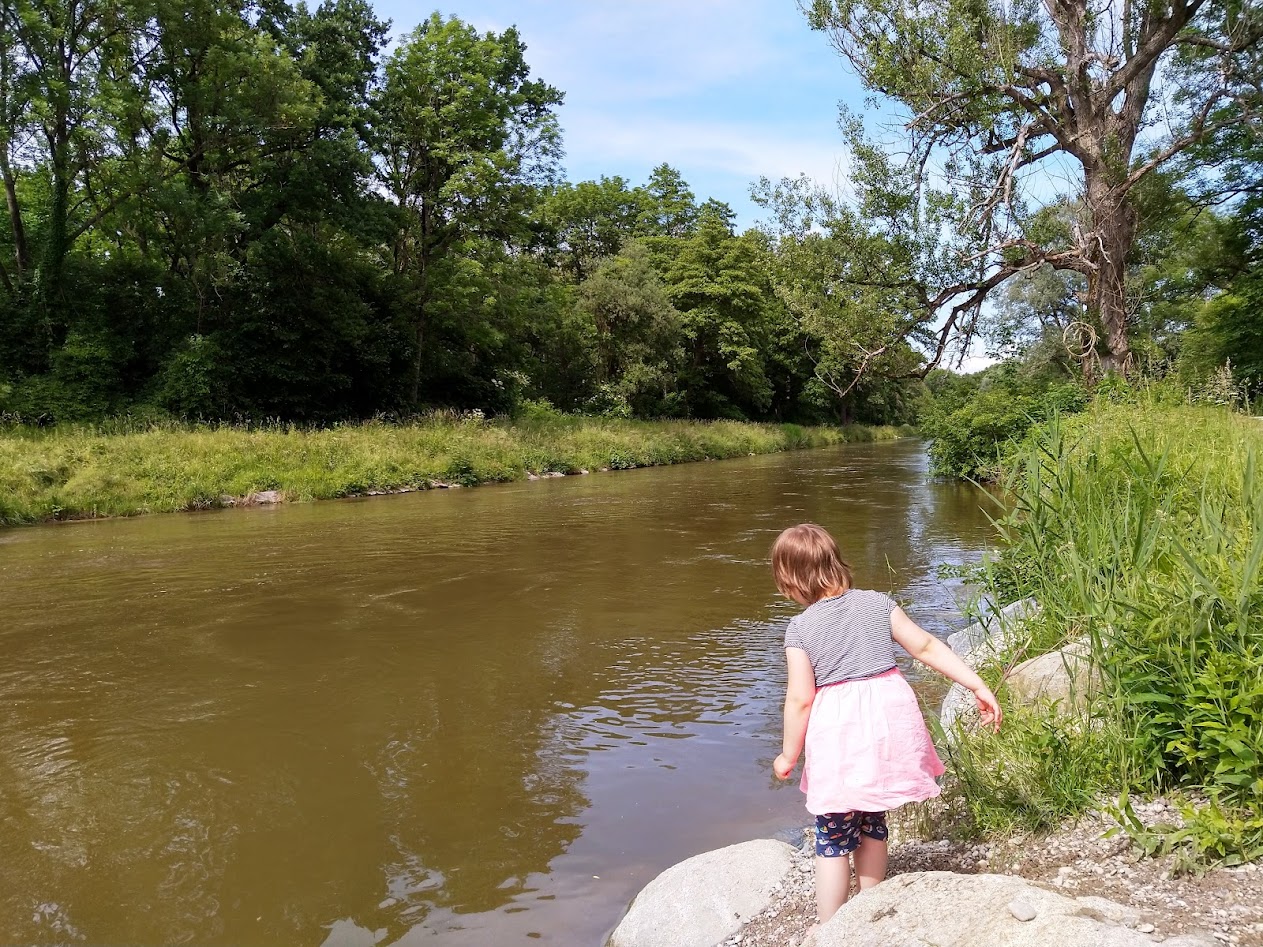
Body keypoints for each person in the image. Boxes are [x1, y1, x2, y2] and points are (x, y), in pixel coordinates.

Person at [769, 523, 1001, 924]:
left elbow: (801, 698)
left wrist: (789, 754)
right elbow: (926, 645)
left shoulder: (801, 628)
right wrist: (975, 683)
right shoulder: (878, 604)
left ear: (790, 580)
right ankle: (870, 907)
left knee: (833, 832)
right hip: (888, 725)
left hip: (842, 733)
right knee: (873, 816)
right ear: (835, 562)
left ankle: (832, 928)